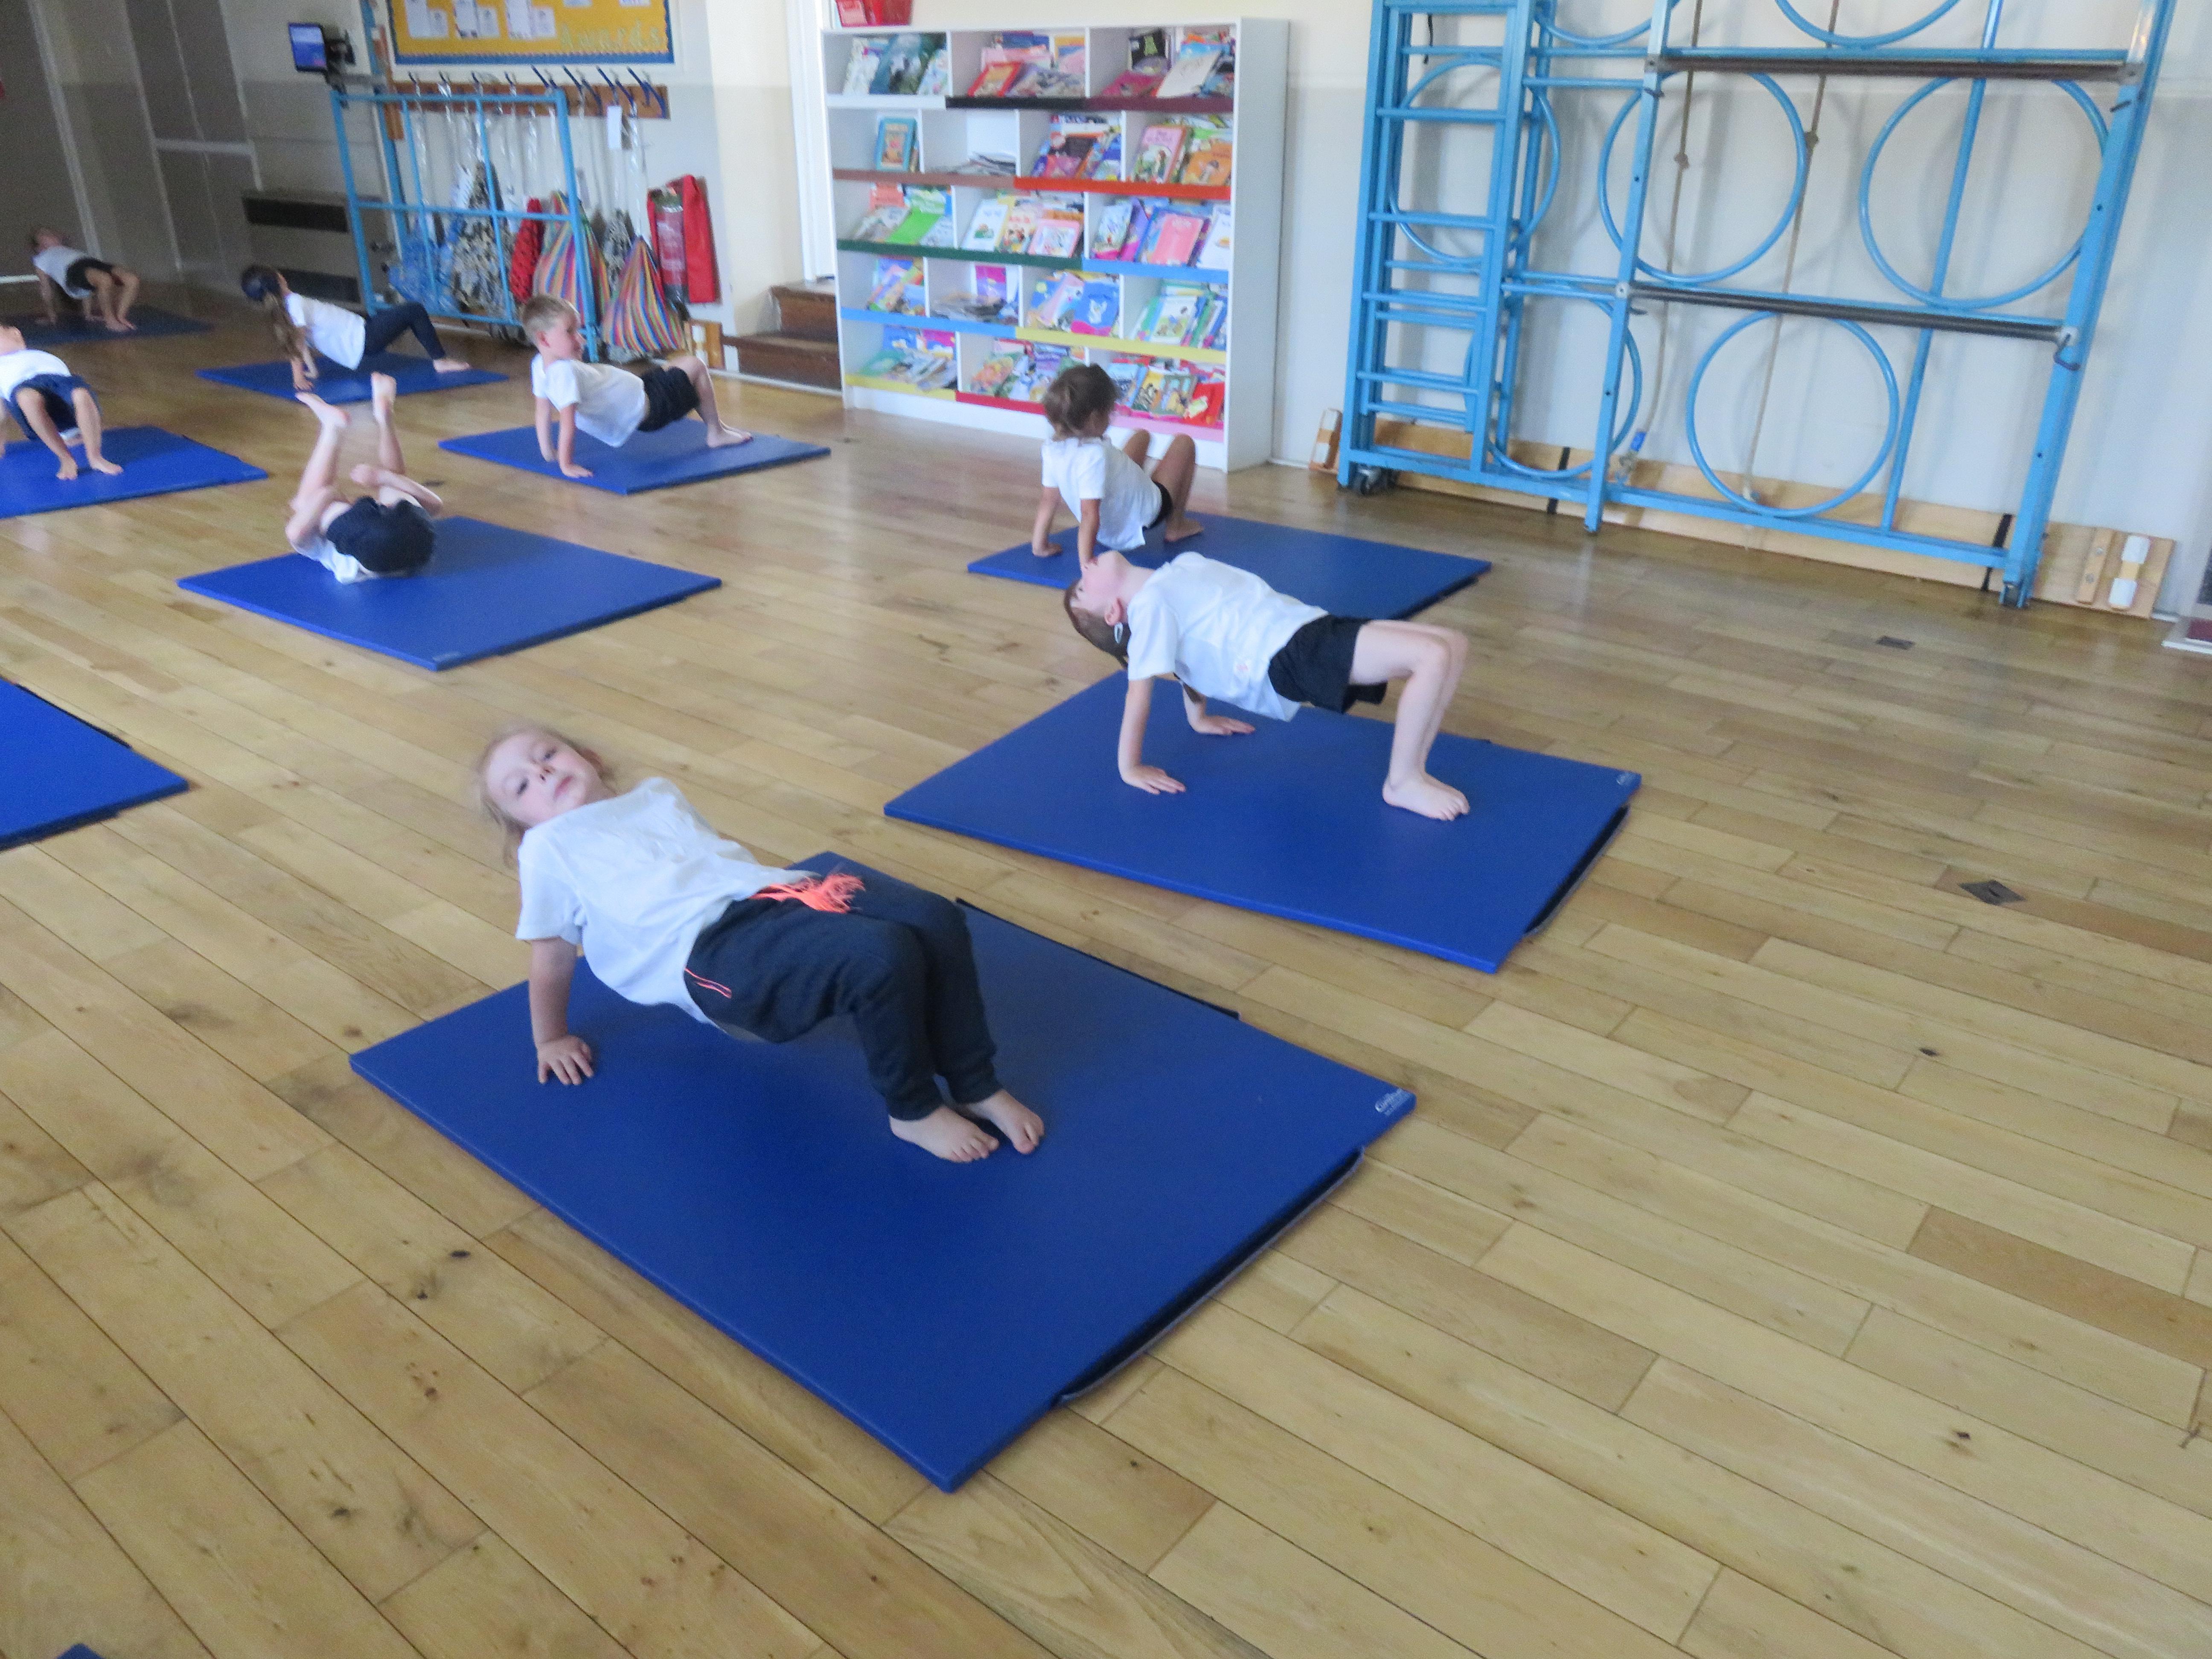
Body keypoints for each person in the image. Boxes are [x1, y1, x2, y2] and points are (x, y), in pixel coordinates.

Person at [476, 724, 1045, 1163]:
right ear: (523, 825)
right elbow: (550, 955)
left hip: (773, 895)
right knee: (880, 955)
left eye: (547, 754)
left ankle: (975, 1083)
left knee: (933, 917)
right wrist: (550, 1037)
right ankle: (913, 1109)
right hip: (707, 953)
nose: (541, 772)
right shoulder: (547, 848)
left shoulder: (656, 794)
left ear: (589, 756)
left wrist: (794, 903)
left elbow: (714, 862)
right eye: (521, 785)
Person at [1065, 549, 1473, 821]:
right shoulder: (1149, 607)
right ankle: (1402, 782)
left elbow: (1189, 659)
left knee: (1453, 644)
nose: (1084, 567)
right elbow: (1139, 692)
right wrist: (1130, 768)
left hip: (1304, 624)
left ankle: (1415, 772)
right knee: (1431, 657)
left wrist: (1198, 718)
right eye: (1083, 588)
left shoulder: (1179, 569)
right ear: (1113, 613)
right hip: (1282, 654)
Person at [519, 294, 749, 480]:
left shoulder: (540, 365)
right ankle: (716, 433)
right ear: (544, 339)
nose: (581, 339)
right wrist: (566, 464)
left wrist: (548, 452)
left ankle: (719, 428)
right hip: (650, 406)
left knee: (677, 365)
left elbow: (543, 410)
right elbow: (567, 422)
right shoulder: (564, 373)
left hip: (642, 389)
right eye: (570, 332)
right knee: (696, 365)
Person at [1030, 361, 1199, 562]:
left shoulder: (1052, 449)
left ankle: (1144, 492)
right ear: (1095, 418)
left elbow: (1049, 500)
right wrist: (1087, 563)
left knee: (1142, 436)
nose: (1111, 417)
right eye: (1110, 412)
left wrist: (1039, 546)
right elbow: (1089, 513)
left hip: (1107, 529)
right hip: (1143, 518)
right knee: (1184, 443)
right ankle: (1176, 526)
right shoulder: (1095, 456)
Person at [286, 373, 440, 582]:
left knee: (308, 501)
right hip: (400, 533)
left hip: (410, 530)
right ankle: (339, 427)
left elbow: (435, 506)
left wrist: (383, 478)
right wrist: (329, 494)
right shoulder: (346, 558)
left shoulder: (418, 547)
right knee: (307, 504)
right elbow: (296, 534)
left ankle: (367, 421)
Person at [240, 264, 473, 394]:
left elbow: (302, 341)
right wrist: (299, 376)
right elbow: (298, 342)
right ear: (279, 279)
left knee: (394, 315)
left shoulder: (286, 310)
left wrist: (313, 371)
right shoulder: (295, 303)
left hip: (362, 330)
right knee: (415, 310)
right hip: (364, 338)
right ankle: (441, 361)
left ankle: (440, 360)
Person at [0, 325, 120, 482]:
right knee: (27, 398)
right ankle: (66, 458)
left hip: (59, 382)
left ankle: (95, 457)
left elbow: (66, 389)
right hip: (21, 388)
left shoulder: (38, 354)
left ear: (15, 333)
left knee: (81, 394)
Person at [29, 229, 141, 334]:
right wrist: (51, 316)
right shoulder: (41, 259)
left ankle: (121, 316)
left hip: (91, 263)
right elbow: (45, 288)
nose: (52, 235)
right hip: (72, 272)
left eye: (51, 233)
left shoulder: (69, 251)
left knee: (132, 279)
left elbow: (87, 289)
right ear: (39, 247)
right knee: (104, 279)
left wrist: (88, 314)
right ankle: (111, 321)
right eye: (45, 234)